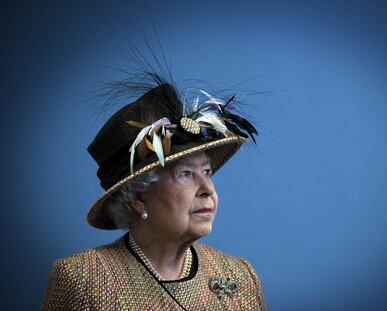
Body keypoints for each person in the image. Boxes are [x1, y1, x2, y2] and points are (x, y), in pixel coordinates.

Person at [41, 77, 266, 310]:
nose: (208, 190)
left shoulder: (240, 275)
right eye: (186, 174)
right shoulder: (84, 279)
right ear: (138, 197)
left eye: (207, 172)